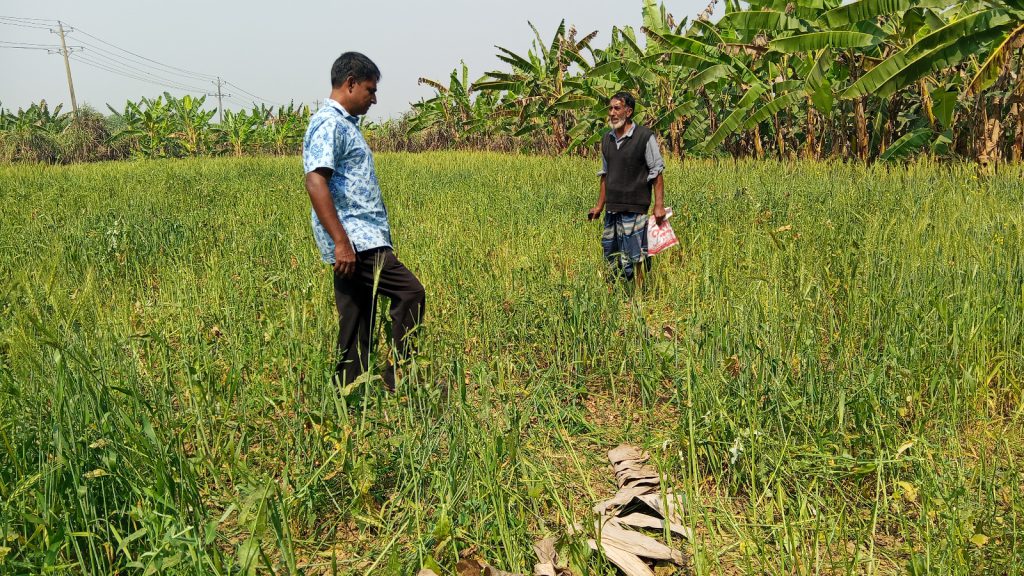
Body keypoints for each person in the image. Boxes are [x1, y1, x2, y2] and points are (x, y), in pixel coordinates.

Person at [303, 52, 425, 392]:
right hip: (356, 239)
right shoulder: (331, 123)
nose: (374, 98)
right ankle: (399, 373)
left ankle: (349, 395)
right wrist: (342, 242)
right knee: (411, 293)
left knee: (356, 319)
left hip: (356, 239)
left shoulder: (343, 124)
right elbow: (315, 181)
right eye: (370, 90)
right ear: (350, 83)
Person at [587, 91, 666, 282]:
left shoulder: (644, 137)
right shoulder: (607, 139)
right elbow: (605, 175)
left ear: (628, 111)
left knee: (636, 254)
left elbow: (657, 171)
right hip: (613, 208)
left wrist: (658, 205)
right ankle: (616, 293)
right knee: (611, 252)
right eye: (610, 108)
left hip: (635, 206)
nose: (612, 113)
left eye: (617, 108)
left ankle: (638, 295)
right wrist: (599, 206)